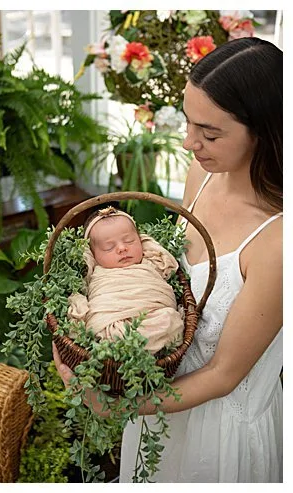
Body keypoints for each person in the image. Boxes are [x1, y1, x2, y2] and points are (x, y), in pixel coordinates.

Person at [52, 37, 282, 482]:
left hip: (218, 433)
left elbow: (222, 375)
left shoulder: (277, 241)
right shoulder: (203, 174)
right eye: (189, 123)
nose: (188, 143)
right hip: (158, 406)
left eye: (209, 133)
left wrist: (116, 404)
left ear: (264, 132)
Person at [67, 206, 184, 354]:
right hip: (112, 321)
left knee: (169, 321)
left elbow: (167, 263)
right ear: (93, 255)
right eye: (109, 247)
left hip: (154, 314)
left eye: (129, 241)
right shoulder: (97, 274)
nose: (122, 248)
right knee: (109, 334)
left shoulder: (150, 263)